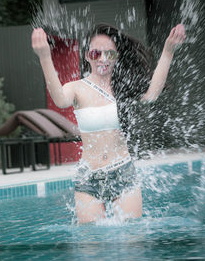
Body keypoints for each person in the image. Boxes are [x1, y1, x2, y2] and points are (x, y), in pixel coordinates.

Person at [32, 23, 186, 224]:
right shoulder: (77, 88)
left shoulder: (122, 88)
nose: (103, 59)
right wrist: (44, 56)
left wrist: (168, 51)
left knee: (132, 242)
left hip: (123, 172)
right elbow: (60, 100)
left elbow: (152, 95)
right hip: (89, 177)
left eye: (110, 54)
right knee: (91, 243)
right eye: (96, 53)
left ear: (117, 57)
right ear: (87, 55)